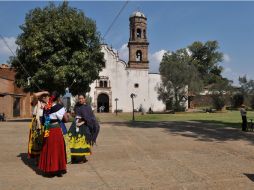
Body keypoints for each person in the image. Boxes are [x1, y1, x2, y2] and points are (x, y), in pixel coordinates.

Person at [38, 91, 69, 177]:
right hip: (56, 130)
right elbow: (66, 119)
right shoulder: (60, 107)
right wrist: (67, 115)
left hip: (48, 129)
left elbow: (44, 121)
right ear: (58, 98)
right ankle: (58, 169)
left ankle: (49, 169)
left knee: (48, 148)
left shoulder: (46, 107)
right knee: (57, 149)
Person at [67, 94, 100, 164]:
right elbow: (75, 114)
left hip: (84, 126)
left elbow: (90, 117)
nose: (80, 100)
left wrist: (87, 122)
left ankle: (81, 158)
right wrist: (73, 115)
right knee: (74, 141)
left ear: (85, 99)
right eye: (79, 98)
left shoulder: (87, 107)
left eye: (82, 98)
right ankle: (74, 157)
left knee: (83, 141)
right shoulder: (76, 106)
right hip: (75, 125)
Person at [27, 91, 49, 161]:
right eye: (43, 96)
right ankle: (38, 159)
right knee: (37, 140)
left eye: (46, 96)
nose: (45, 97)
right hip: (37, 122)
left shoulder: (49, 104)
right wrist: (44, 92)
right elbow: (35, 95)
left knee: (46, 139)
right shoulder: (36, 102)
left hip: (46, 122)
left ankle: (45, 157)